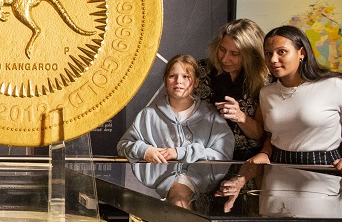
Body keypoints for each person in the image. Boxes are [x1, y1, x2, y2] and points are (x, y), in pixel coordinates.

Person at [118, 55, 234, 207]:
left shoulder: (211, 116)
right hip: (161, 180)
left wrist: (180, 153)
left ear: (196, 82)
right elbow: (123, 145)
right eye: (173, 76)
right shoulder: (149, 114)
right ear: (165, 80)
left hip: (200, 181)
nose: (179, 81)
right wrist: (145, 151)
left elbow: (222, 156)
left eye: (186, 76)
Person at [250, 25, 342, 169]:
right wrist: (265, 152)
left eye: (282, 52)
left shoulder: (333, 85)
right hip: (278, 165)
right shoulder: (266, 92)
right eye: (268, 53)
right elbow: (272, 137)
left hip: (325, 166)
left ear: (302, 53)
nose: (273, 59)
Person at [195, 19, 268, 160]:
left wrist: (240, 117)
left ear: (251, 55)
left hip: (247, 163)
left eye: (234, 54)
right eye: (222, 50)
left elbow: (260, 135)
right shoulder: (200, 71)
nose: (224, 58)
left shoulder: (264, 80)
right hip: (205, 158)